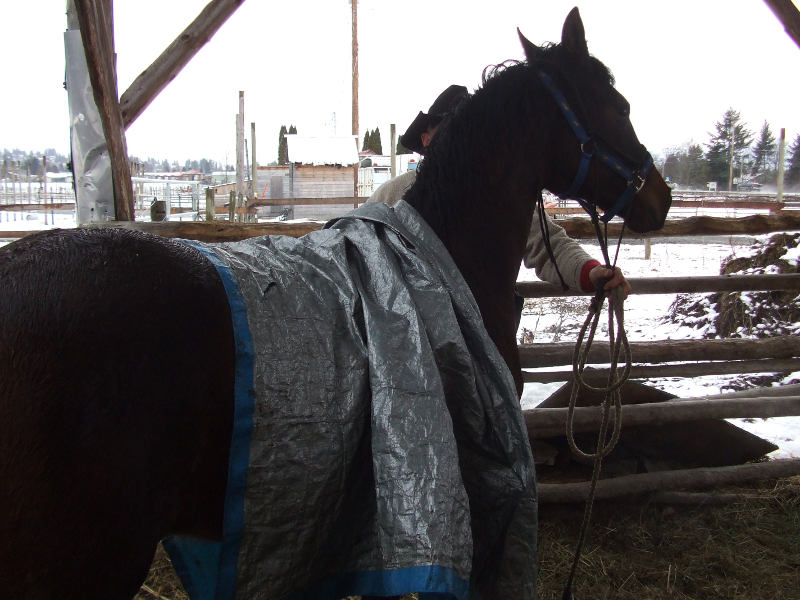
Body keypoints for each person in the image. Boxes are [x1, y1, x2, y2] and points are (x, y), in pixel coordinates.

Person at [369, 84, 631, 299]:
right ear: (426, 140)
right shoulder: (392, 196)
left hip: (487, 342)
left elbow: (549, 246)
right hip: (409, 347)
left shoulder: (502, 196)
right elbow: (358, 255)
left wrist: (591, 273)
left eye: (467, 131)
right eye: (449, 131)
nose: (459, 141)